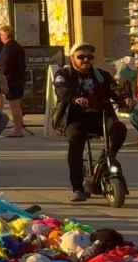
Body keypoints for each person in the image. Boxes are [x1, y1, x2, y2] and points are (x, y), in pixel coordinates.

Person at [51, 43, 127, 202]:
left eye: (90, 57)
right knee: (76, 140)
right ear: (72, 58)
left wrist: (125, 98)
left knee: (119, 129)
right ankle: (78, 187)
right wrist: (74, 98)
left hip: (100, 115)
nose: (86, 60)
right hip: (75, 116)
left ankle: (103, 161)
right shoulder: (64, 74)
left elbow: (115, 89)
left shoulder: (101, 75)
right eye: (81, 57)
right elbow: (61, 90)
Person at [0, 24, 28, 136]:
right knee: (17, 105)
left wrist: (0, 76)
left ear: (6, 34)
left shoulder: (9, 47)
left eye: (1, 34)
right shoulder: (15, 46)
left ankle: (17, 130)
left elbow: (5, 65)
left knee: (14, 105)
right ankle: (19, 126)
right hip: (18, 78)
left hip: (12, 79)